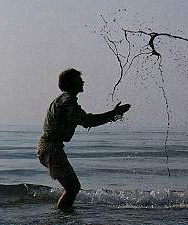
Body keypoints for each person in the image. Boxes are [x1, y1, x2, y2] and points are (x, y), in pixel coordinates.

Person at [36, 68, 130, 211]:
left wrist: (113, 114)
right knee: (73, 188)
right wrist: (114, 113)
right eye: (79, 79)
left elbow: (87, 120)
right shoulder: (66, 101)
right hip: (50, 148)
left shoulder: (66, 100)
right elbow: (87, 121)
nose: (83, 82)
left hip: (52, 148)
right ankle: (61, 217)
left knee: (73, 187)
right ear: (71, 83)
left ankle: (64, 216)